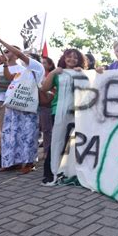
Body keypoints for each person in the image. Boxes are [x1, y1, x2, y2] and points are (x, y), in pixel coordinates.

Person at [0, 33, 45, 174]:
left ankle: (28, 162)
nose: (24, 57)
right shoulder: (22, 72)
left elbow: (18, 54)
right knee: (12, 134)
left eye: (26, 56)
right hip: (13, 106)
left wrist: (1, 40)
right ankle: (13, 162)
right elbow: (9, 77)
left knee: (28, 134)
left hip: (27, 106)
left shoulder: (37, 68)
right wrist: (4, 63)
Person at [41, 49, 86, 185]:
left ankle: (70, 170)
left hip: (78, 112)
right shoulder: (57, 73)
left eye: (75, 57)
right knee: (57, 141)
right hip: (59, 112)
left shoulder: (82, 73)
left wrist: (83, 74)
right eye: (69, 57)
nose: (72, 59)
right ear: (64, 58)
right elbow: (44, 88)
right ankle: (50, 172)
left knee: (73, 142)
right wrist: (53, 72)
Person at [40, 56, 56, 158]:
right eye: (41, 63)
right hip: (41, 105)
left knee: (50, 129)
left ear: (50, 65)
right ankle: (46, 151)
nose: (42, 65)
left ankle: (50, 151)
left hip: (52, 104)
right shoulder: (38, 74)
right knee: (45, 129)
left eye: (45, 63)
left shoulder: (54, 75)